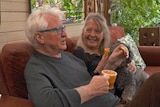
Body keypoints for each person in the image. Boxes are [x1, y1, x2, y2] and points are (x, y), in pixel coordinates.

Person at [24, 8, 159, 107]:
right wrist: (90, 90)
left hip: (117, 102)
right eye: (58, 30)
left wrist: (111, 64)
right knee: (156, 81)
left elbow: (91, 80)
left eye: (63, 28)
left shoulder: (69, 57)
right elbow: (46, 101)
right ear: (39, 37)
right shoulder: (36, 67)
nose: (65, 34)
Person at [73, 13, 149, 102]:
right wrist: (102, 66)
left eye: (97, 31)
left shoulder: (108, 48)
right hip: (115, 95)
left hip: (131, 84)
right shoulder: (79, 54)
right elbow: (85, 85)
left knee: (152, 82)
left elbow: (123, 54)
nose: (92, 34)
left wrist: (129, 62)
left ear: (103, 35)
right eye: (88, 30)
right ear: (83, 32)